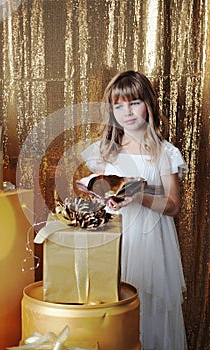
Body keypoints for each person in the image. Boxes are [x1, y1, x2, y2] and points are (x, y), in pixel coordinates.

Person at [80, 70, 188, 350]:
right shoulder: (105, 151)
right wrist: (103, 195)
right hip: (116, 238)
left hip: (152, 244)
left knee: (149, 308)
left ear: (148, 104)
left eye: (133, 103)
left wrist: (140, 196)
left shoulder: (164, 153)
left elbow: (174, 206)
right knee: (114, 306)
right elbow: (103, 194)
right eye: (118, 106)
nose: (127, 112)